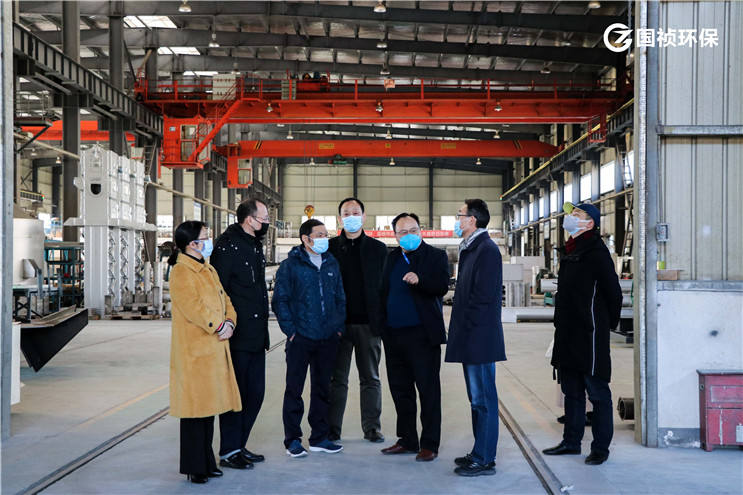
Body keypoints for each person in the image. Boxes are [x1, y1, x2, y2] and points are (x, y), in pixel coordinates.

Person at [542, 202, 622, 465]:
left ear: (590, 223)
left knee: (597, 392)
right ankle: (571, 442)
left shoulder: (597, 253)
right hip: (568, 332)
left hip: (589, 334)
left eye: (577, 214)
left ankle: (600, 449)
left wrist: (602, 325)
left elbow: (614, 293)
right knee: (572, 391)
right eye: (571, 213)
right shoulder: (571, 250)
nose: (571, 217)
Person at [167, 221, 242, 484]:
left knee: (208, 409)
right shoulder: (181, 272)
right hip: (194, 353)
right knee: (193, 413)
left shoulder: (207, 268)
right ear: (192, 244)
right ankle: (194, 466)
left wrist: (230, 322)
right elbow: (193, 307)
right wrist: (218, 325)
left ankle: (207, 462)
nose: (209, 241)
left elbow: (226, 299)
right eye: (205, 237)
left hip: (214, 350)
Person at [271, 219, 346, 458]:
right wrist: (292, 332)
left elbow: (340, 297)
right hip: (301, 337)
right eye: (319, 234)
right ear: (306, 238)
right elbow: (280, 301)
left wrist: (338, 327)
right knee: (294, 389)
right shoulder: (290, 266)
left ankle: (319, 438)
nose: (325, 238)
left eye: (326, 234)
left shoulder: (331, 262)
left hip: (328, 337)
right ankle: (293, 439)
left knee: (322, 389)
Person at [379, 213, 449, 462]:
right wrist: (382, 327)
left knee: (428, 391)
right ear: (395, 235)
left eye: (413, 230)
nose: (409, 235)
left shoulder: (435, 256)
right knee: (401, 390)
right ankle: (407, 439)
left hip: (422, 335)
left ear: (421, 230)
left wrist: (420, 280)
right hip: (393, 334)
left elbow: (442, 287)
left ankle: (429, 443)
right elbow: (383, 291)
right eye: (403, 232)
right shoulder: (391, 258)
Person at [445, 199, 506, 477]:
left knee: (483, 399)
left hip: (479, 336)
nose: (457, 219)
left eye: (460, 215)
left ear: (472, 219)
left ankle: (484, 458)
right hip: (470, 334)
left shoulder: (486, 250)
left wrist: (467, 324)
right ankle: (479, 451)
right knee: (476, 399)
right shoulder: (471, 248)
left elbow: (482, 295)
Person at [211, 199, 270, 469]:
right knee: (236, 395)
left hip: (256, 334)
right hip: (237, 335)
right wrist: (225, 323)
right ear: (250, 220)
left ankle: (239, 444)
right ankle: (229, 450)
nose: (266, 223)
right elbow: (219, 291)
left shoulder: (253, 244)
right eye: (264, 218)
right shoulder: (227, 246)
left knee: (255, 394)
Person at [327, 198, 388, 444]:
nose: (351, 216)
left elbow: (385, 287)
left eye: (355, 212)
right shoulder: (329, 248)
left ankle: (372, 427)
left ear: (364, 217)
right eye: (346, 213)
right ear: (339, 218)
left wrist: (383, 321)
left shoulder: (378, 249)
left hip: (369, 325)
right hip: (337, 326)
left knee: (370, 378)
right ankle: (332, 428)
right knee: (336, 380)